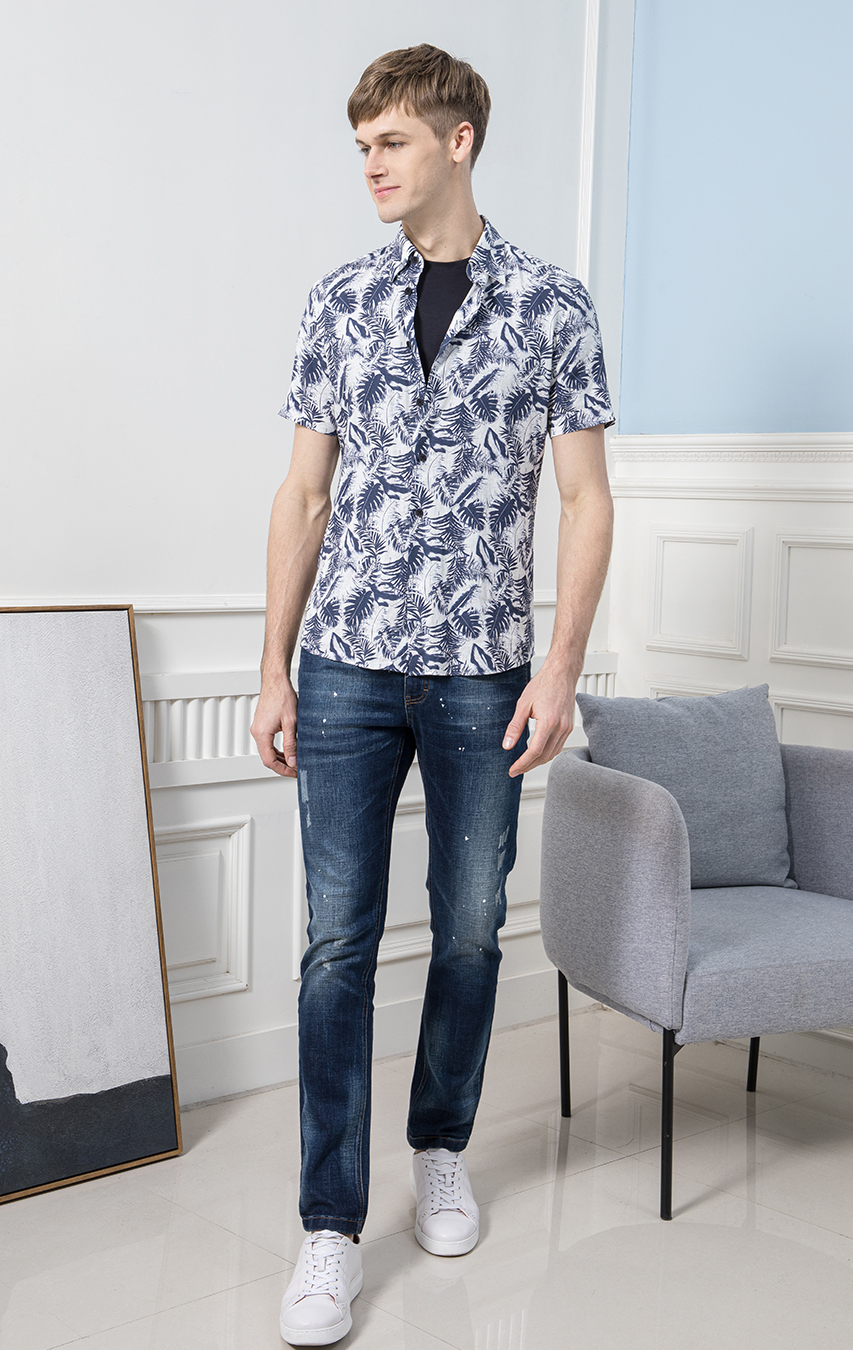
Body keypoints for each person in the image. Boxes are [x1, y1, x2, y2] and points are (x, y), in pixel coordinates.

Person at [251, 42, 614, 1346]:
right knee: (336, 944)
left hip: (483, 673)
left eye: (391, 141)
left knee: (468, 929)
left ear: (459, 140)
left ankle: (440, 1146)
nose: (371, 165)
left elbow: (585, 500)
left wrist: (560, 667)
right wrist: (271, 664)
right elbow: (303, 493)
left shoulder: (552, 306)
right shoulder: (339, 300)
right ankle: (329, 1225)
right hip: (345, 663)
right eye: (361, 145)